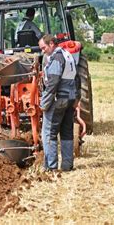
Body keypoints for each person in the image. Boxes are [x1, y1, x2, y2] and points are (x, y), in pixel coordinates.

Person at [39, 34, 80, 172]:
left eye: (44, 47)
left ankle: (51, 167)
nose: (42, 51)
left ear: (51, 44)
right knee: (67, 131)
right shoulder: (68, 56)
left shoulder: (56, 58)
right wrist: (77, 98)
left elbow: (53, 82)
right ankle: (67, 165)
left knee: (49, 132)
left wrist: (44, 103)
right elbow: (77, 78)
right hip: (70, 98)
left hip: (58, 100)